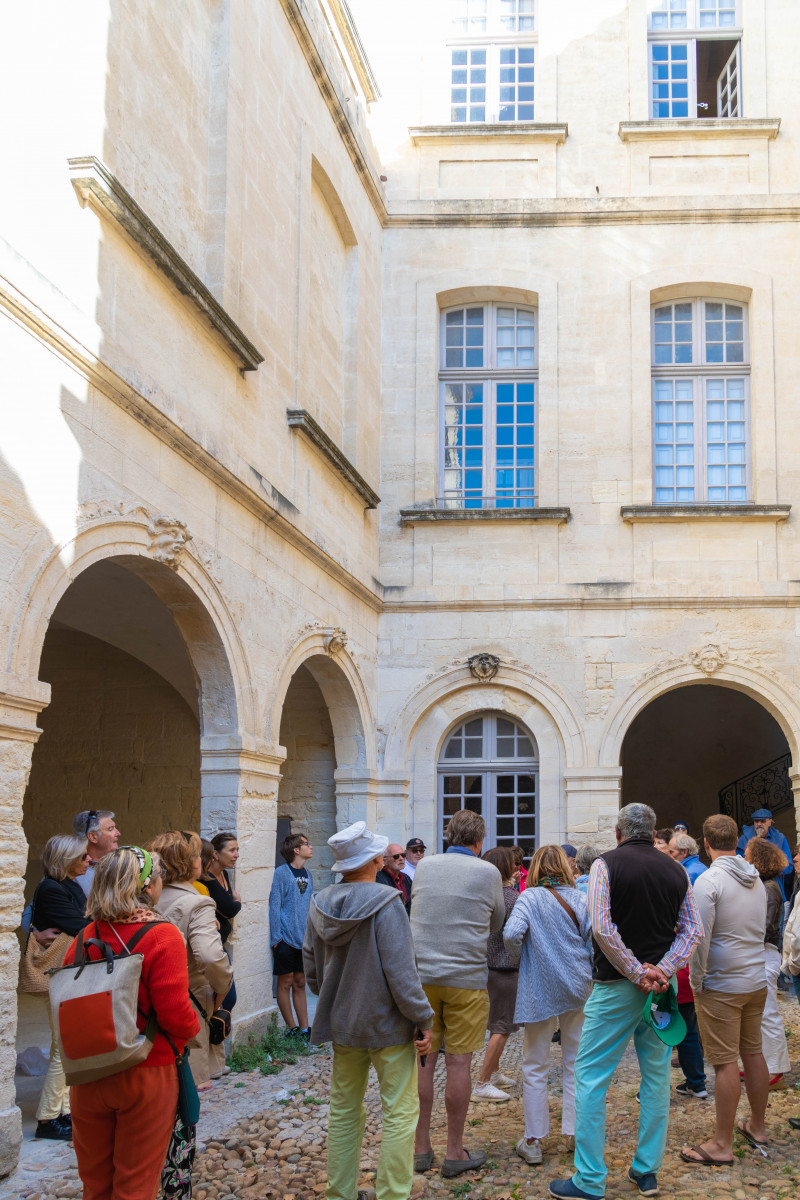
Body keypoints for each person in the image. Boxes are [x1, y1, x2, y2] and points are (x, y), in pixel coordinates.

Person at [549, 802, 702, 1200]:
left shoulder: (606, 865)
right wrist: (662, 969)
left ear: (618, 832)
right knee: (656, 1078)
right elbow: (692, 929)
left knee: (590, 1076)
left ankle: (589, 1178)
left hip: (617, 986)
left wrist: (637, 971)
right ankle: (646, 1170)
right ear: (653, 832)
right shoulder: (676, 869)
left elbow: (602, 927)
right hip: (659, 991)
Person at [302, 821, 433, 1200]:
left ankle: (340, 1193)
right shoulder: (387, 903)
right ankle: (392, 1193)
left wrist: (336, 996)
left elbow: (311, 967)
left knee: (344, 1109)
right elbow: (402, 973)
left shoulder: (320, 903)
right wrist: (423, 1018)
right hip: (388, 1024)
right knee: (399, 1112)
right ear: (376, 860)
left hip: (344, 1022)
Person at [66, 846, 199, 1200]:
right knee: (136, 1185)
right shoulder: (162, 935)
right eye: (158, 877)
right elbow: (175, 1013)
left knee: (96, 1185)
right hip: (147, 1068)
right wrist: (195, 1030)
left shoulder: (84, 935)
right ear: (147, 886)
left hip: (89, 1070)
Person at [410, 808, 505, 1178]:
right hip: (466, 977)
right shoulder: (487, 871)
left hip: (421, 977)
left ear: (449, 836)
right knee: (459, 1064)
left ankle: (420, 1148)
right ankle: (454, 1151)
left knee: (423, 1061)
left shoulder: (425, 866)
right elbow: (496, 922)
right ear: (479, 841)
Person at [682, 814, 769, 1166]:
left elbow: (699, 939)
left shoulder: (709, 881)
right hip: (755, 979)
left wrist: (696, 980)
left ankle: (722, 1143)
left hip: (721, 983)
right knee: (753, 1052)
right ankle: (757, 1126)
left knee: (723, 1062)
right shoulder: (755, 878)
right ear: (737, 841)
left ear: (705, 844)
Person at [504, 844, 593, 1166]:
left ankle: (533, 1140)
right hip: (577, 985)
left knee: (535, 1063)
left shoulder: (529, 897)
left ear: (537, 867)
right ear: (566, 868)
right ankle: (573, 1133)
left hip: (538, 986)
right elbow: (593, 940)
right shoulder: (580, 898)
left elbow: (511, 934)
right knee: (575, 1061)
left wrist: (523, 959)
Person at [150, 830, 233, 1089]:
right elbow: (210, 956)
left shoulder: (145, 899)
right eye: (198, 856)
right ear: (188, 863)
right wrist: (224, 984)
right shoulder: (197, 903)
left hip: (150, 997)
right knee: (189, 1084)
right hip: (189, 998)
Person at [30, 834, 92, 1140]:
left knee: (66, 1044)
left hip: (68, 973)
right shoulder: (52, 889)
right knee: (63, 1045)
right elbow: (81, 925)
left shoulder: (69, 885)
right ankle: (47, 1119)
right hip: (59, 973)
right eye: (83, 856)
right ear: (66, 860)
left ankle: (63, 1111)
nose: (88, 860)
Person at [471, 847, 520, 1103]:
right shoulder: (510, 897)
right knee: (502, 1026)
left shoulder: (482, 895)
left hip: (487, 966)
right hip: (505, 968)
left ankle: (495, 1073)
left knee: (497, 1024)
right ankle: (482, 1083)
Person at [744, 836, 790, 1086]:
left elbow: (766, 926)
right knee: (757, 1014)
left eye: (748, 854)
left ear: (758, 859)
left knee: (768, 1013)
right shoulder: (761, 884)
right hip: (758, 953)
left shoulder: (770, 888)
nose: (744, 858)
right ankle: (762, 1066)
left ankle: (776, 1070)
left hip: (765, 954)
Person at [669, 834, 709, 1101]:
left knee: (662, 1031)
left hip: (675, 969)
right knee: (689, 1030)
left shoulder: (687, 876)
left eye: (672, 852)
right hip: (685, 968)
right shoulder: (696, 873)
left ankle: (651, 1089)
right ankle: (697, 1082)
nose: (668, 856)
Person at [269, 832, 315, 1038]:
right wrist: (276, 938)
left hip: (303, 939)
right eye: (306, 844)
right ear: (296, 850)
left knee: (300, 982)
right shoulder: (281, 873)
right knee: (285, 982)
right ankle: (291, 1028)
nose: (310, 847)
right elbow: (275, 905)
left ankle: (305, 1029)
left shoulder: (308, 874)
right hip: (285, 938)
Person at [204, 832, 242, 1078]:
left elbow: (228, 909)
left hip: (221, 943)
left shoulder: (224, 875)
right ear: (215, 854)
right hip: (211, 947)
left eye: (237, 850)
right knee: (226, 998)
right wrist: (237, 902)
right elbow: (229, 907)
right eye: (232, 850)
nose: (236, 855)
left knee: (223, 1002)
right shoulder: (207, 879)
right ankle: (207, 1060)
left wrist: (233, 905)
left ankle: (215, 1062)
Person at [736, 808, 793, 899]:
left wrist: (770, 871)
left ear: (770, 822)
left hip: (774, 887)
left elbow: (789, 866)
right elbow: (738, 865)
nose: (759, 824)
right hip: (750, 888)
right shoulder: (744, 840)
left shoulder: (779, 838)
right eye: (756, 821)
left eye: (762, 821)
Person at [72, 810, 121, 896]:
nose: (118, 833)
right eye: (110, 829)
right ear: (93, 837)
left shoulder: (119, 866)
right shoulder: (76, 875)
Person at [376, 844, 412, 913]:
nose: (401, 858)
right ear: (385, 861)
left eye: (403, 855)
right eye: (396, 856)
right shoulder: (378, 879)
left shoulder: (406, 878)